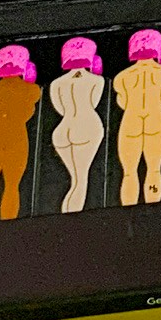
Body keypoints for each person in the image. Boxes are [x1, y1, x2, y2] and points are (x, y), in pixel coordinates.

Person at [0, 44, 42, 223]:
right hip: (16, 140)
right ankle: (8, 227)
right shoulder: (30, 90)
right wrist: (30, 76)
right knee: (12, 187)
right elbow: (33, 98)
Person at [115, 28, 161, 206]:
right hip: (155, 118)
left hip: (131, 120)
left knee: (129, 172)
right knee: (154, 169)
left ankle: (128, 212)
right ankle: (152, 208)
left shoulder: (122, 77)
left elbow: (122, 102)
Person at [50, 36, 106, 213]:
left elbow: (59, 107)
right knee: (80, 179)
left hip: (63, 129)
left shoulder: (56, 84)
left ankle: (66, 214)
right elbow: (93, 102)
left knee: (73, 179)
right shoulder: (97, 80)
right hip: (87, 125)